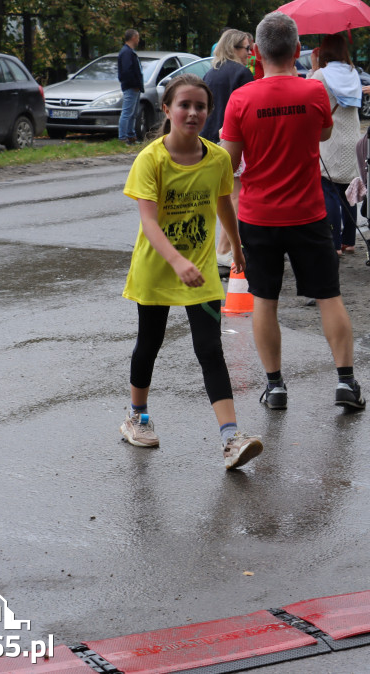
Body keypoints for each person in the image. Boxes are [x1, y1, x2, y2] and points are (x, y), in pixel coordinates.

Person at [221, 11, 366, 412]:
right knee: (329, 297)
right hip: (308, 213)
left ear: (255, 53)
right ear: (298, 50)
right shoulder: (314, 93)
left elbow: (229, 164)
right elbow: (323, 133)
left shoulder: (241, 99)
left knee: (264, 301)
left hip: (258, 215)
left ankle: (276, 386)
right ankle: (346, 383)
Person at [119, 74, 263, 470]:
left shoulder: (217, 158)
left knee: (210, 350)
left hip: (199, 271)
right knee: (149, 342)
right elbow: (149, 222)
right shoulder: (151, 159)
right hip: (157, 269)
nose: (193, 112)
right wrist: (177, 261)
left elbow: (223, 203)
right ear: (167, 109)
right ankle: (137, 416)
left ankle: (231, 438)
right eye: (184, 105)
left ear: (209, 111)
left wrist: (236, 243)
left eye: (201, 106)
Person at [202, 29, 254, 272]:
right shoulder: (242, 73)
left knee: (218, 197)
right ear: (234, 48)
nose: (250, 53)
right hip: (232, 141)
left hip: (209, 141)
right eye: (246, 48)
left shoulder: (211, 73)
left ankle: (218, 248)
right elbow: (250, 109)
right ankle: (223, 250)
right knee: (235, 197)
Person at [310, 33, 362, 255]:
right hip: (353, 139)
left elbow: (307, 93)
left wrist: (314, 66)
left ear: (324, 51)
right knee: (350, 190)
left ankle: (334, 242)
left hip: (331, 139)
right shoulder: (354, 73)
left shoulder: (321, 75)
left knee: (329, 191)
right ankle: (349, 241)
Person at [117, 29, 144, 145]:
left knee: (133, 113)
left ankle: (131, 135)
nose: (138, 40)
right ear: (133, 38)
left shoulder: (129, 52)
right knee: (127, 112)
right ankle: (123, 137)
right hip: (131, 87)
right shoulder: (127, 53)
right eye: (137, 37)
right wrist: (134, 84)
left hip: (135, 87)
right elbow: (127, 71)